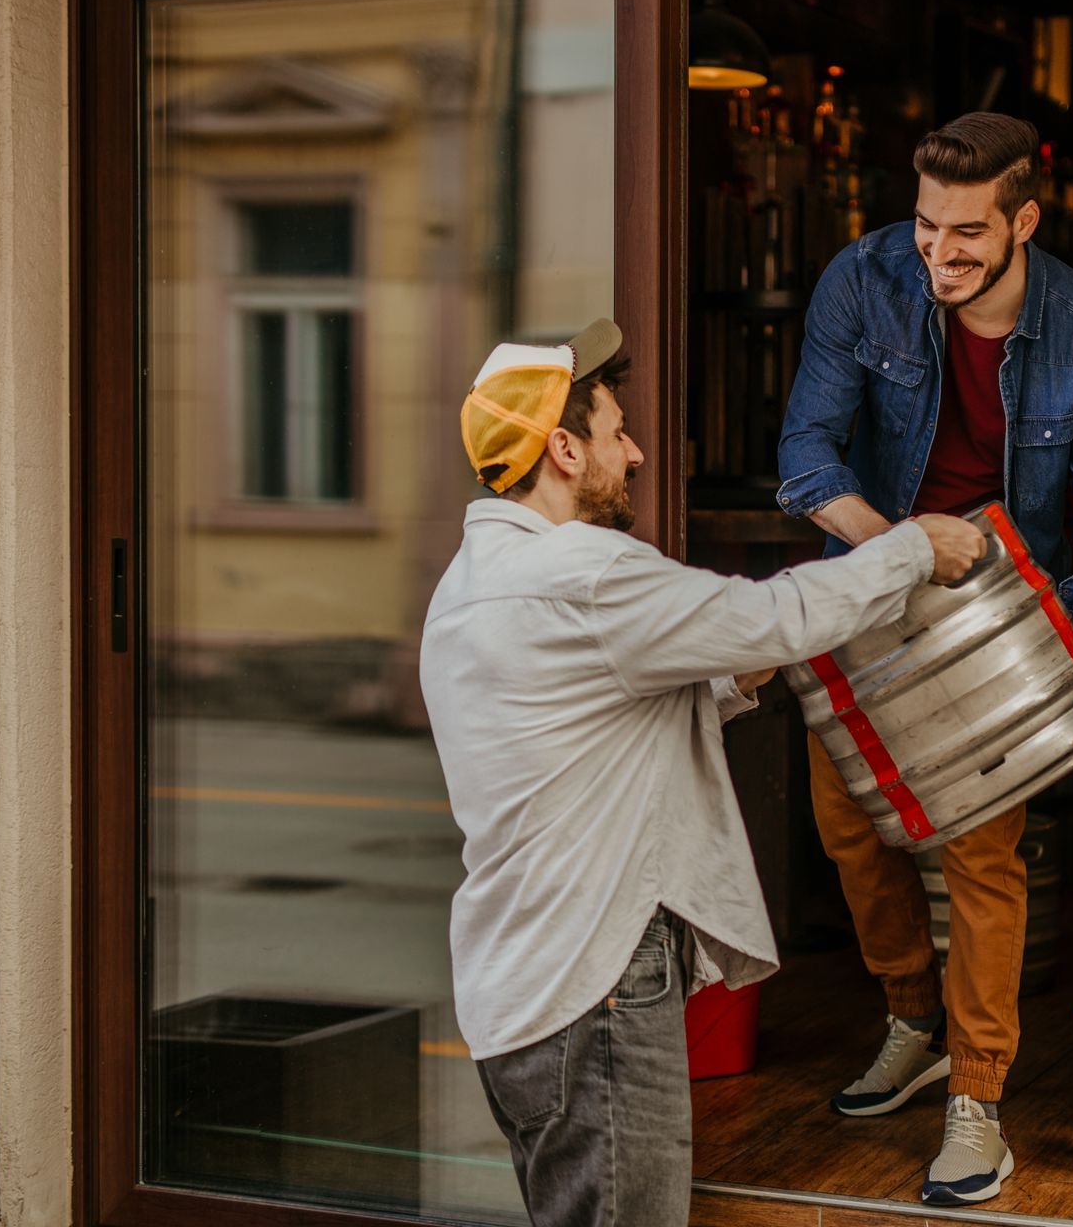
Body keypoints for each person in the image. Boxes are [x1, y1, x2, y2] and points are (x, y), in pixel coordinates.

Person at [419, 318, 987, 1227]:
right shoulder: (582, 571)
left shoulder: (475, 582)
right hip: (592, 988)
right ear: (562, 449)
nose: (637, 452)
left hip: (521, 1000)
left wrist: (734, 665)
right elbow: (772, 616)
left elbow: (602, 706)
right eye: (615, 430)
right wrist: (915, 546)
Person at [776, 112, 1073, 1205]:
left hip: (996, 611)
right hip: (868, 566)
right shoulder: (863, 278)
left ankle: (977, 1100)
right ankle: (914, 1015)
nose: (937, 255)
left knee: (980, 855)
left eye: (966, 236)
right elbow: (806, 450)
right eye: (924, 226)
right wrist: (895, 548)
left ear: (1023, 220)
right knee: (851, 827)